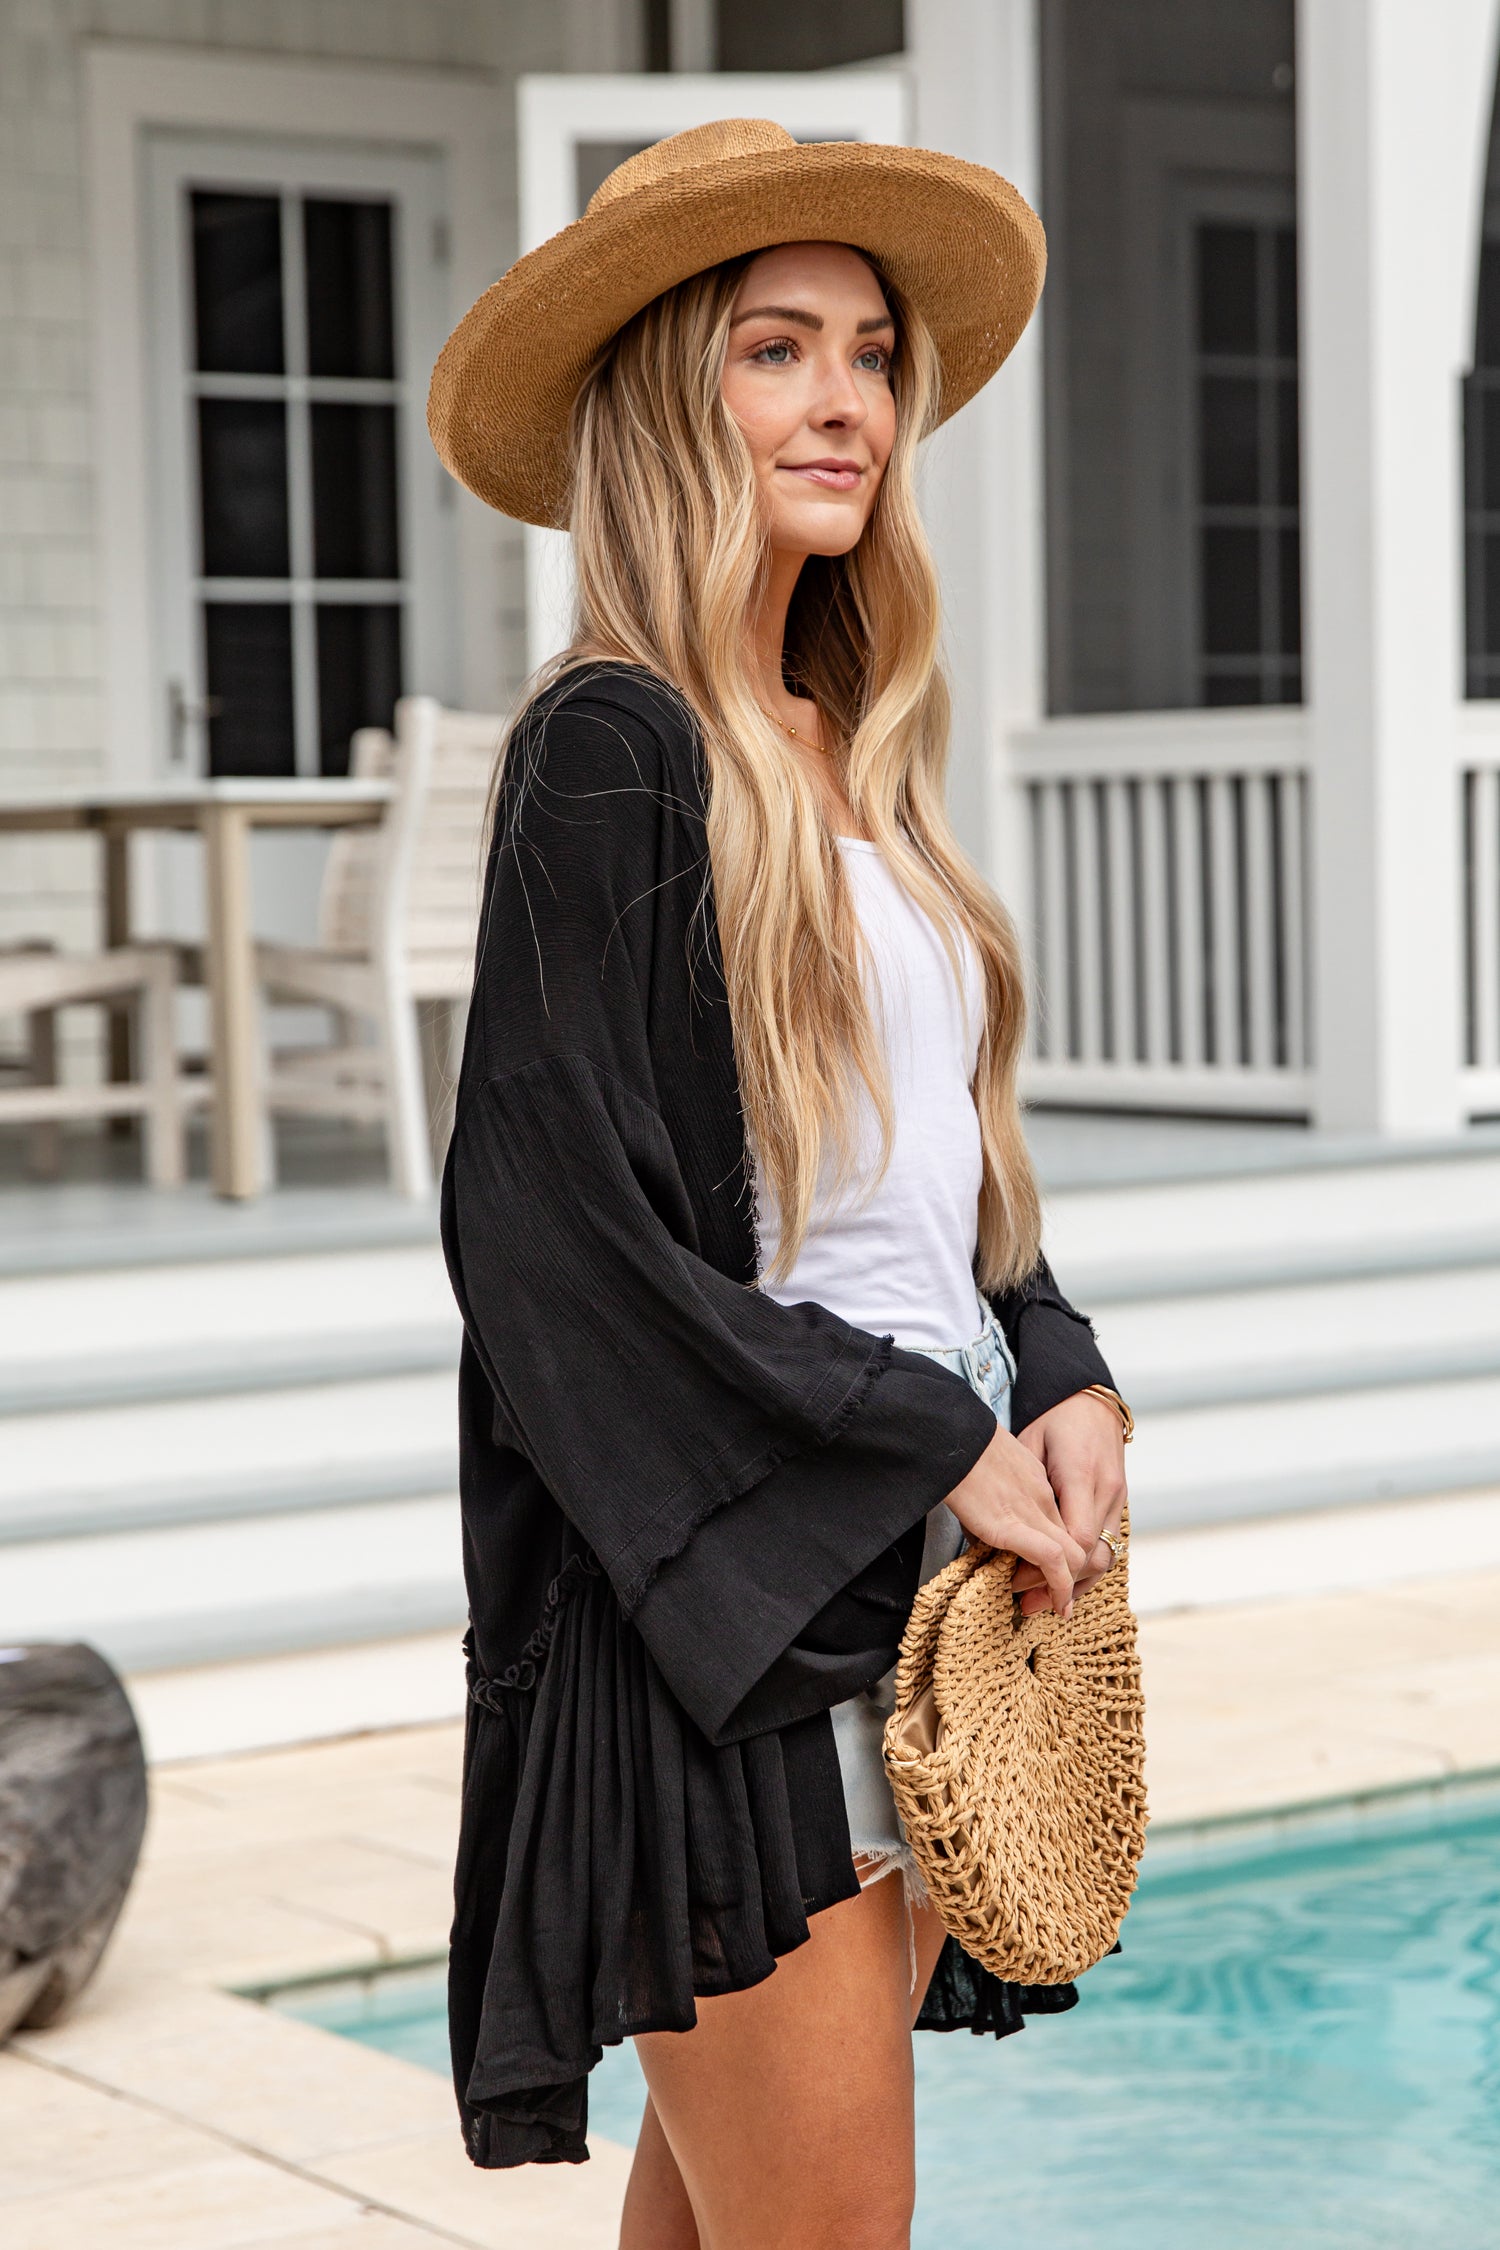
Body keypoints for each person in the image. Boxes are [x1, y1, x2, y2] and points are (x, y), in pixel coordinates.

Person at [428, 119, 1131, 2250]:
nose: (845, 401)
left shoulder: (845, 743)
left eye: (871, 355)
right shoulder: (617, 747)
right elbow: (550, 1240)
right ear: (670, 397)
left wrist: (1058, 1363)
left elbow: (925, 1176)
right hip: (725, 1625)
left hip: (902, 1580)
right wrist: (935, 1435)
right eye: (772, 349)